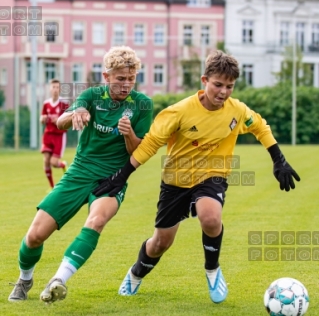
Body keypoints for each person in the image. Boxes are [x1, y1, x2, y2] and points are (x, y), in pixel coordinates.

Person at [93, 50, 300, 304]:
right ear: (204, 81)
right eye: (218, 85)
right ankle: (136, 274)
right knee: (160, 242)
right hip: (175, 181)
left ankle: (212, 270)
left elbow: (259, 125)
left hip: (213, 175)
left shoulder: (236, 110)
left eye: (229, 86)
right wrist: (121, 175)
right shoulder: (178, 112)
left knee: (210, 217)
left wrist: (278, 159)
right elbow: (149, 145)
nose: (223, 92)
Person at [8, 46, 153, 303]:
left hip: (112, 178)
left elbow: (138, 152)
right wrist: (77, 112)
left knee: (96, 222)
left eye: (131, 79)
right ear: (106, 77)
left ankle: (58, 280)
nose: (126, 84)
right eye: (120, 79)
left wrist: (129, 133)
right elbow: (61, 121)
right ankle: (24, 279)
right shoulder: (91, 95)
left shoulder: (143, 104)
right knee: (34, 236)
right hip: (79, 172)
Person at [40, 79, 69, 189]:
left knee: (53, 162)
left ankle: (63, 165)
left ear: (60, 89)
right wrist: (42, 119)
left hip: (59, 135)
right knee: (46, 160)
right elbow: (42, 118)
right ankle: (52, 187)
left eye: (57, 87)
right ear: (50, 89)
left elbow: (68, 118)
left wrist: (60, 119)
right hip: (48, 134)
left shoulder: (64, 103)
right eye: (53, 87)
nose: (55, 90)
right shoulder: (46, 103)